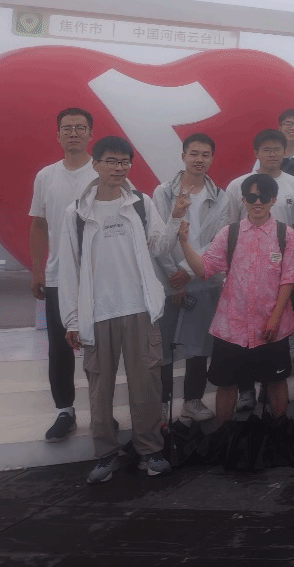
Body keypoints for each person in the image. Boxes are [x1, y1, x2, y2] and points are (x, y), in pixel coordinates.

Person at [60, 136, 171, 482]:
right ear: (95, 164)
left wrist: (177, 219)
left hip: (139, 308)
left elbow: (159, 247)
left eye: (124, 162)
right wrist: (72, 320)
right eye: (111, 161)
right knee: (99, 389)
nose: (119, 168)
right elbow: (68, 268)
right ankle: (106, 455)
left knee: (146, 385)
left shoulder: (140, 204)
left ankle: (150, 451)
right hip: (97, 313)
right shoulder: (77, 213)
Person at [178, 173, 294, 431]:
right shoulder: (229, 233)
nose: (257, 202)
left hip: (272, 325)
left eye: (263, 197)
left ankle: (280, 432)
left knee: (276, 381)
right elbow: (204, 269)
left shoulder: (286, 235)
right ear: (243, 200)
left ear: (273, 200)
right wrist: (183, 242)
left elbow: (289, 279)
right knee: (226, 384)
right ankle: (224, 437)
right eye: (251, 196)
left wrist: (274, 318)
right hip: (231, 326)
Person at [226, 129, 294, 413]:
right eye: (267, 149)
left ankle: (269, 388)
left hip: (280, 275)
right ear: (256, 153)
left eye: (277, 149)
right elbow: (229, 229)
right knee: (243, 336)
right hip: (243, 277)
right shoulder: (238, 185)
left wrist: (292, 268)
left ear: (285, 152)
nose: (272, 154)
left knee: (273, 335)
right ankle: (246, 390)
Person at [29, 107, 98, 443]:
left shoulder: (102, 173)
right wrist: (37, 269)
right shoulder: (46, 176)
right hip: (58, 276)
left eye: (80, 127)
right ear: (57, 135)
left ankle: (101, 411)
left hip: (97, 276)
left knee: (99, 346)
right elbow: (38, 225)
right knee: (59, 346)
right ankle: (65, 412)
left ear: (90, 134)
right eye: (67, 128)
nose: (73, 133)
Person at [153, 132, 230, 424]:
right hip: (168, 280)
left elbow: (217, 240)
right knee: (164, 347)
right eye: (194, 153)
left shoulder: (220, 197)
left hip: (202, 279)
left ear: (212, 158)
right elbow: (157, 235)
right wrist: (173, 277)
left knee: (198, 345)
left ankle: (192, 401)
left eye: (205, 154)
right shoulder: (163, 193)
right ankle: (161, 405)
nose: (199, 159)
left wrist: (187, 270)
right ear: (183, 156)